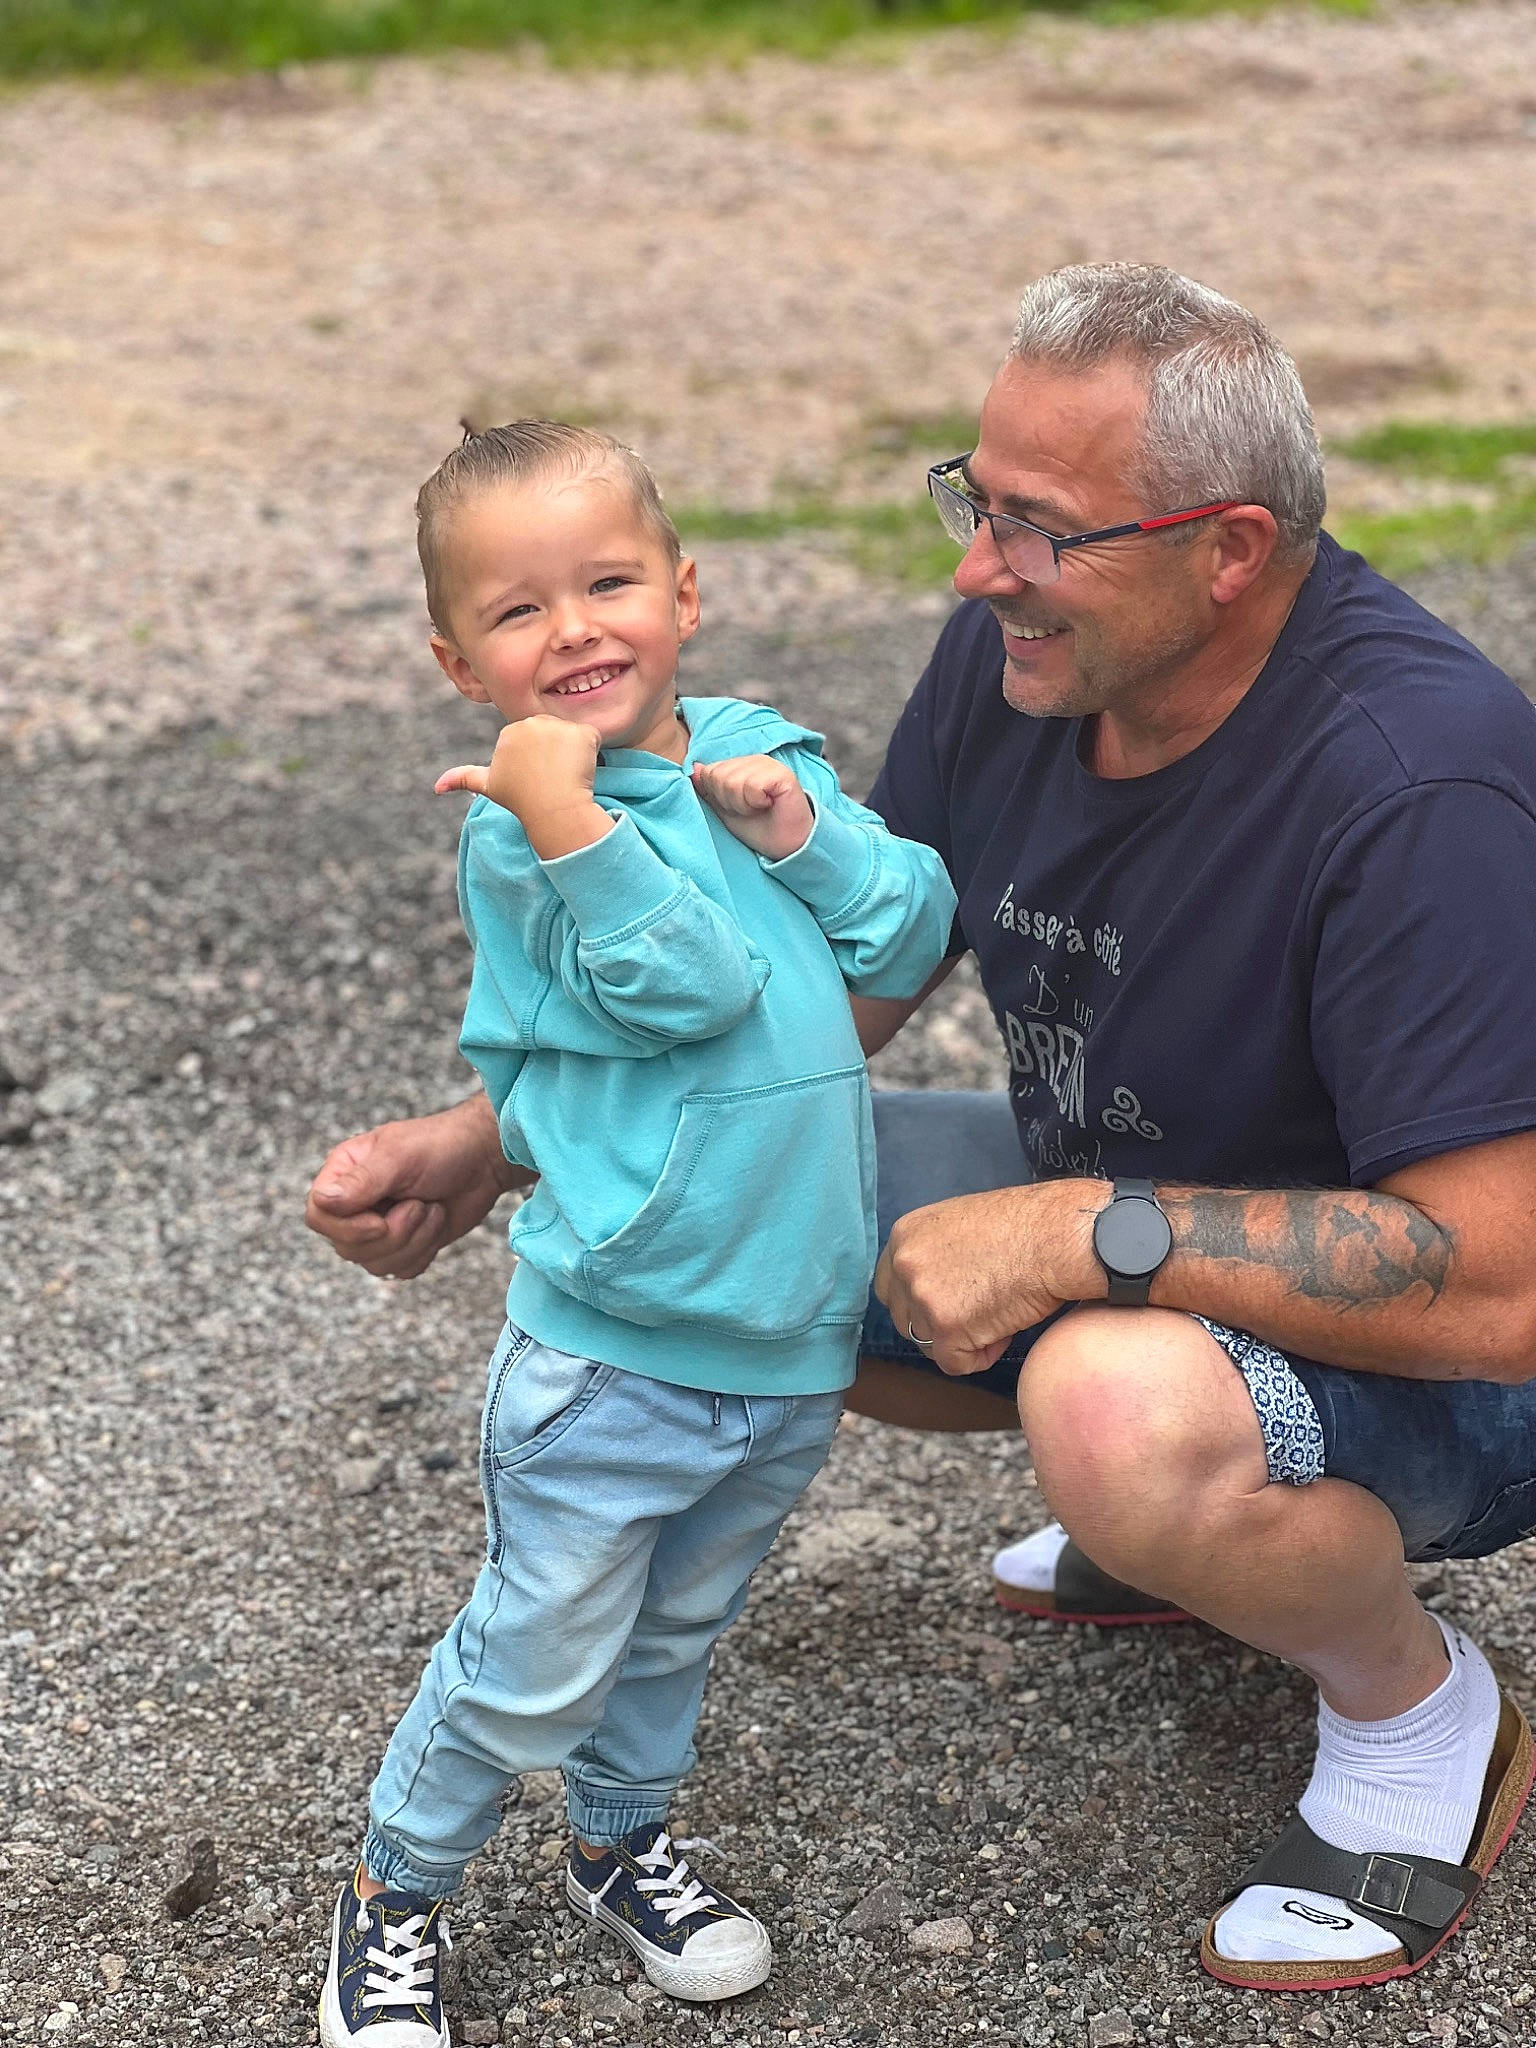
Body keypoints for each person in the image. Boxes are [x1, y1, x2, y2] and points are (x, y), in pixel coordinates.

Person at [309, 267, 1536, 1997]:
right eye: (975, 501)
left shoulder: (1420, 783)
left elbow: (1505, 1286)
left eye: (1034, 528)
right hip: (1181, 1235)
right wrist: (482, 1143)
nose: (973, 572)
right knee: (763, 1203)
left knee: (1103, 1400)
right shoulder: (1033, 651)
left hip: (1466, 1380)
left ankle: (1416, 1711)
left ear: (1230, 548)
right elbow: (822, 995)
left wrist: (1069, 1240)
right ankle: (1184, 1532)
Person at [316, 420, 957, 2048]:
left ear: (685, 588)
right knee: (536, 1652)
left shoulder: (760, 751)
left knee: (678, 1630)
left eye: (608, 582)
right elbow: (691, 989)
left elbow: (911, 925)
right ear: (463, 664)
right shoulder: (517, 829)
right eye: (521, 613)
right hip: (620, 1340)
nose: (577, 630)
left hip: (787, 1335)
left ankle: (619, 1840)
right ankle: (396, 1891)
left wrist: (790, 828)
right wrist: (568, 815)